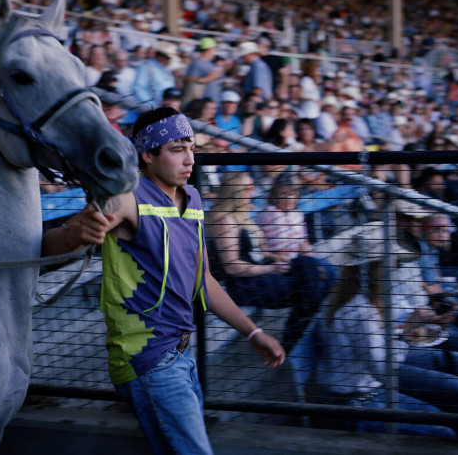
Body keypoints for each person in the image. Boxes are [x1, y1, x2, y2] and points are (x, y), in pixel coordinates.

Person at [41, 107, 285, 455]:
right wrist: (76, 234)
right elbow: (51, 244)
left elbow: (203, 279)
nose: (189, 159)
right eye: (176, 149)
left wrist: (253, 332)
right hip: (148, 360)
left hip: (181, 356)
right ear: (148, 155)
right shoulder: (126, 196)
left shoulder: (194, 199)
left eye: (192, 148)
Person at [309, 260, 458, 431]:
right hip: (355, 402)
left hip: (363, 389)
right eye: (391, 268)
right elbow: (386, 372)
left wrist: (416, 323)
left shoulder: (345, 296)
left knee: (454, 396)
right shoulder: (360, 309)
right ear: (376, 273)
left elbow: (374, 341)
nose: (395, 273)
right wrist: (409, 330)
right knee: (443, 430)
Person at [207, 171, 335, 348]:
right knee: (313, 287)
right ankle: (294, 341)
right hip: (240, 284)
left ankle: (295, 339)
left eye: (252, 187)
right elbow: (232, 267)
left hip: (258, 273)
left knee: (312, 266)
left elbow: (258, 253)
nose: (252, 193)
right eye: (247, 188)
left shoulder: (241, 217)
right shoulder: (224, 221)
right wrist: (271, 268)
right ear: (234, 191)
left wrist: (275, 259)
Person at [254, 173, 337, 345]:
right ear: (275, 194)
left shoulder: (297, 214)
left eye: (291, 193)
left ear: (297, 195)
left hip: (298, 262)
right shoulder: (268, 213)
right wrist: (275, 257)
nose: (287, 198)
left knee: (328, 271)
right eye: (283, 193)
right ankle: (306, 326)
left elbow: (303, 243)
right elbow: (264, 245)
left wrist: (311, 261)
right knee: (311, 284)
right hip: (275, 261)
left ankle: (303, 325)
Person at [183, 37, 223, 104]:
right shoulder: (197, 62)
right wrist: (209, 78)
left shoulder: (211, 63)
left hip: (213, 101)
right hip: (203, 102)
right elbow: (189, 79)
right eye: (214, 48)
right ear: (210, 49)